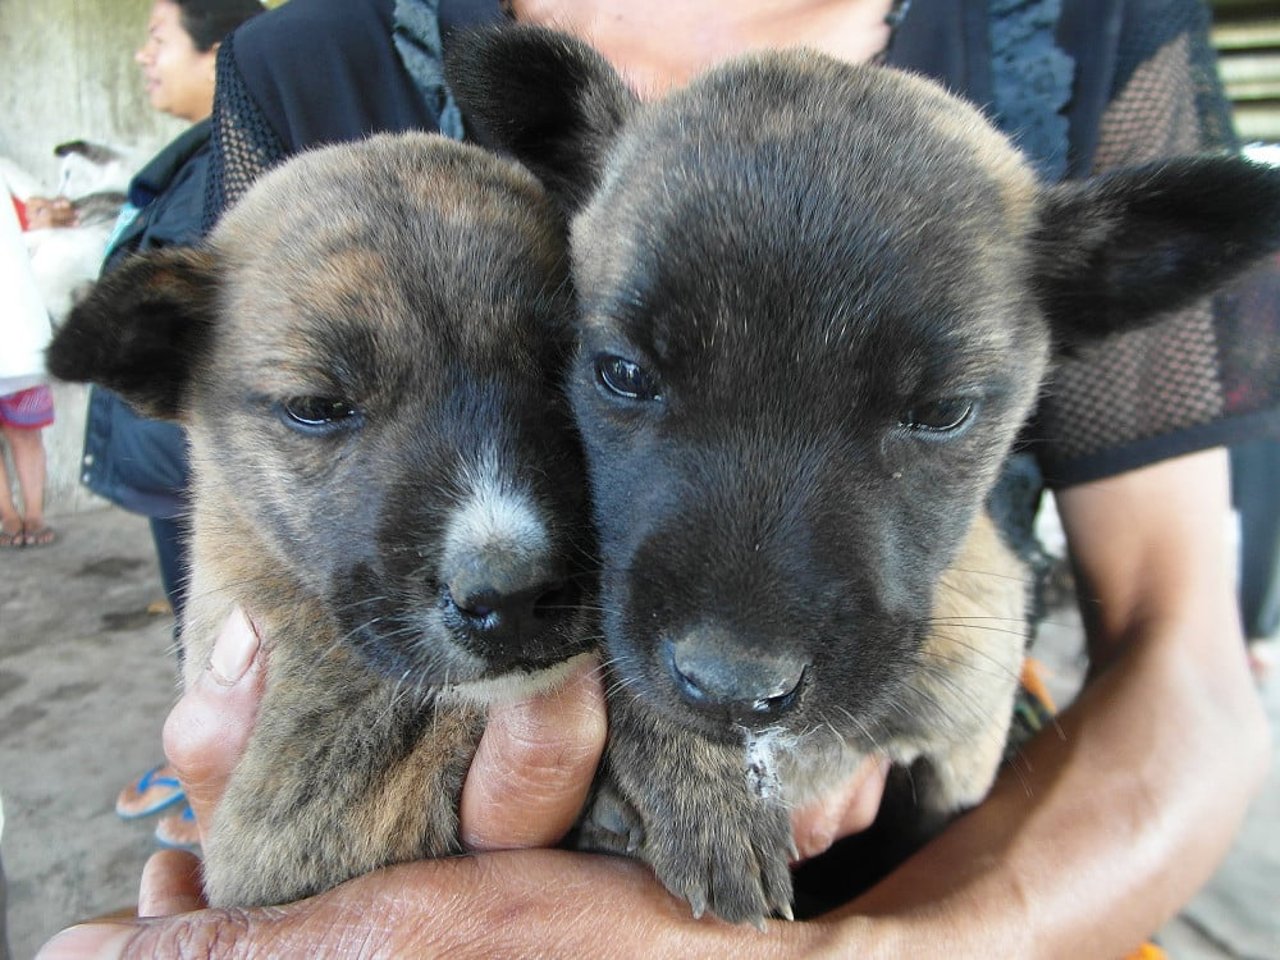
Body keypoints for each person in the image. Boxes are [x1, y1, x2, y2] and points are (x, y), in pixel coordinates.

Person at [35, 0, 1276, 957]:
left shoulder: (1075, 28)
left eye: (937, 407)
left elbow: (1185, 656)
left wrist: (871, 947)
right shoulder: (313, 62)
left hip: (926, 868)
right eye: (622, 371)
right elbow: (258, 480)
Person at [83, 0, 263, 852]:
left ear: (222, 49)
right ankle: (202, 755)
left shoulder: (230, 173)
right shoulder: (189, 159)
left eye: (157, 38)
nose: (143, 59)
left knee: (225, 624)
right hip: (168, 457)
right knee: (195, 617)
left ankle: (222, 770)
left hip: (200, 466)